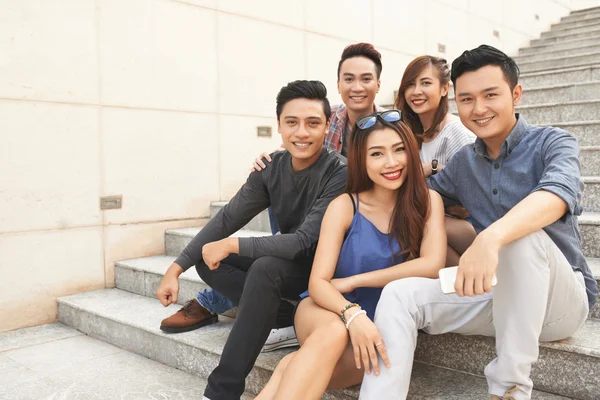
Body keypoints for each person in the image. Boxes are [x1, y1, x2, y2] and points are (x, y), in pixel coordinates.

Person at [359, 45, 598, 400]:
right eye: (467, 99)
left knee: (517, 235)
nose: (479, 109)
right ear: (456, 102)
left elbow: (559, 192)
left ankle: (508, 390)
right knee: (400, 294)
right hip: (498, 293)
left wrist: (490, 238)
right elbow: (417, 199)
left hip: (562, 301)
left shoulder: (553, 142)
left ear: (516, 94)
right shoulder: (462, 164)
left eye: (490, 95)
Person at [155, 80, 348, 400]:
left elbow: (302, 242)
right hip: (285, 265)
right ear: (279, 126)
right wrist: (175, 269)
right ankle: (282, 318)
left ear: (327, 126)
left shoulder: (338, 171)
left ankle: (220, 392)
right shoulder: (270, 167)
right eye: (292, 122)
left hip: (323, 270)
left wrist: (232, 244)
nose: (302, 132)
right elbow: (227, 219)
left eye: (313, 123)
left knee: (266, 268)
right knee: (207, 257)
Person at [189, 42, 387, 352]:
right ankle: (276, 308)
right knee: (276, 214)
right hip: (313, 223)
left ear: (378, 84)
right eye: (349, 79)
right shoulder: (327, 116)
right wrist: (277, 161)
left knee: (270, 260)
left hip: (356, 227)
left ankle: (226, 301)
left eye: (366, 79)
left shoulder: (386, 126)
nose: (357, 87)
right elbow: (302, 150)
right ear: (338, 84)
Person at [254, 110, 446, 400]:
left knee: (296, 367)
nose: (391, 163)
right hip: (326, 310)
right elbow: (319, 283)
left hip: (379, 325)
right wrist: (352, 314)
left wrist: (355, 281)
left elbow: (432, 265)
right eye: (377, 154)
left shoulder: (428, 201)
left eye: (399, 150)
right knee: (333, 332)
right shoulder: (345, 205)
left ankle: (287, 366)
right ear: (361, 160)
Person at [397, 55, 477, 266]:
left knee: (414, 224)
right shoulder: (409, 132)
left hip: (469, 226)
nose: (416, 92)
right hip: (435, 221)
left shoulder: (456, 132)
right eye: (410, 85)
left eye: (425, 83)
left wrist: (432, 168)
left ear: (444, 89)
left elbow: (472, 192)